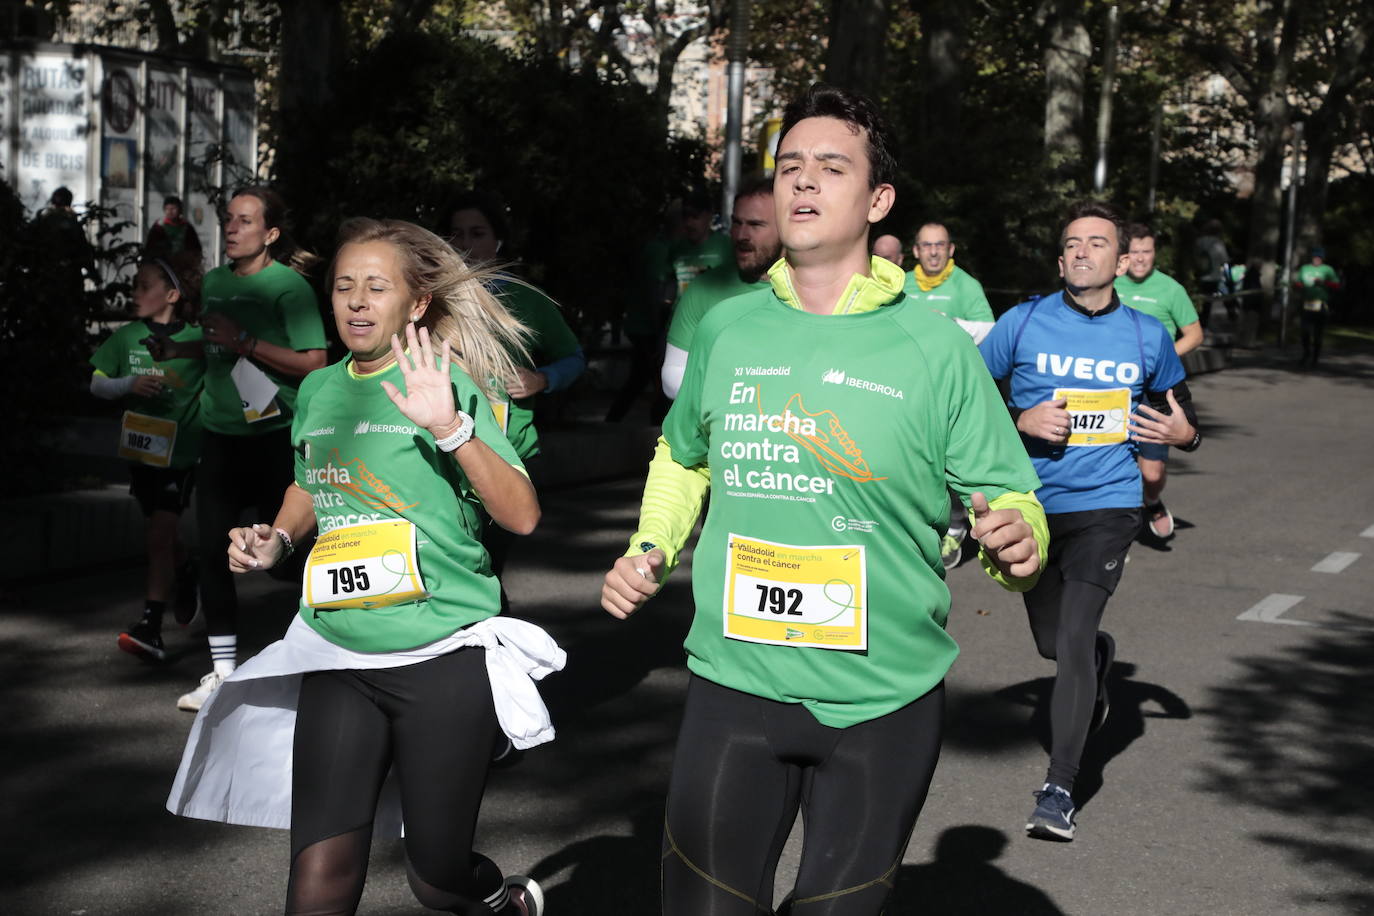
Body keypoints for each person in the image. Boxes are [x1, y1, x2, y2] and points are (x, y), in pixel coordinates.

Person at [601, 84, 1046, 914]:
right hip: (736, 683)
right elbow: (681, 453)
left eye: (830, 167)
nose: (802, 182)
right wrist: (650, 544)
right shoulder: (729, 330)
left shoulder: (934, 348)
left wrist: (1021, 542)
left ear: (877, 200)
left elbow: (1008, 491)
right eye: (789, 167)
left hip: (883, 699)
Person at [167, 218, 558, 916]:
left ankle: (500, 902)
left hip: (439, 655)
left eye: (376, 287)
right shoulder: (320, 391)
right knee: (317, 877)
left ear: (414, 305)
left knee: (436, 880)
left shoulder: (445, 381)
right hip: (336, 648)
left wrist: (450, 426)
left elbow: (522, 514)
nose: (355, 301)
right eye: (344, 286)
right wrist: (279, 540)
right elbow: (310, 482)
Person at [979, 200, 1202, 842]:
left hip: (1108, 504)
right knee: (1054, 645)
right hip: (1029, 507)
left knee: (1072, 640)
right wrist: (1018, 421)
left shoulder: (1144, 335)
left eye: (1096, 242)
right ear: (1060, 259)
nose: (1082, 251)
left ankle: (1059, 787)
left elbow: (1180, 414)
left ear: (1120, 259)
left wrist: (1185, 439)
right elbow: (966, 399)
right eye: (1072, 243)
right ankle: (1101, 657)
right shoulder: (1021, 324)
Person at [172, 186, 329, 712]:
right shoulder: (215, 281)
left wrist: (245, 342)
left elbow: (314, 361)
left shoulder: (289, 288)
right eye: (229, 220)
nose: (232, 229)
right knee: (213, 548)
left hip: (273, 436)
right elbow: (214, 343)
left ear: (271, 234)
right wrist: (180, 347)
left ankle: (321, 658)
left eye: (244, 221)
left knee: (285, 557)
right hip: (221, 436)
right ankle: (221, 673)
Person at [449, 191, 585, 608]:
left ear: (498, 242)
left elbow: (575, 358)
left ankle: (493, 651)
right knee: (461, 564)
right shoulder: (429, 299)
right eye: (455, 234)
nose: (465, 244)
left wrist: (542, 379)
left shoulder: (528, 300)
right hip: (444, 449)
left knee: (486, 564)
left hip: (510, 453)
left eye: (477, 233)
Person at [89, 251, 205, 660]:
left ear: (172, 294)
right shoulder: (125, 337)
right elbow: (96, 384)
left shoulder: (196, 340)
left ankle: (150, 627)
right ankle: (187, 573)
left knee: (157, 534)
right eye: (134, 285)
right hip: (140, 452)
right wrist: (129, 385)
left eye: (144, 286)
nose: (134, 292)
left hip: (182, 454)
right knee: (164, 535)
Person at [901, 221, 997, 570]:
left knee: (949, 462)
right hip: (908, 386)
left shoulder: (965, 285)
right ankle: (917, 529)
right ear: (916, 251)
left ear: (951, 249)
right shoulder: (902, 283)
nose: (934, 251)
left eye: (940, 245)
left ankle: (955, 525)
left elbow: (990, 331)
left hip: (949, 386)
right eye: (926, 245)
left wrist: (950, 323)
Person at [1113, 223, 1203, 539]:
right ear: (1124, 255)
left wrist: (1164, 357)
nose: (1140, 258)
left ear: (1155, 253)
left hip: (1154, 391)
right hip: (1111, 386)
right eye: (1134, 251)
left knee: (1152, 473)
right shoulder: (1110, 283)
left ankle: (1151, 500)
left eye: (1146, 252)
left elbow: (1194, 334)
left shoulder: (1170, 289)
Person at [661, 175, 781, 399]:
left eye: (755, 224)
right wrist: (732, 399)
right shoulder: (704, 289)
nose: (742, 235)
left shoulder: (813, 292)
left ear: (786, 228)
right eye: (737, 223)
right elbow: (672, 377)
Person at [1295, 245, 1341, 369]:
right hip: (1307, 304)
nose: (1317, 259)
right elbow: (1299, 282)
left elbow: (1337, 285)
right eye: (1315, 257)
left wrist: (1324, 283)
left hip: (1321, 305)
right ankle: (1306, 353)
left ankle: (1315, 358)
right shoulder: (1305, 268)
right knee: (1304, 332)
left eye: (1319, 257)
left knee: (1318, 334)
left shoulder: (1328, 269)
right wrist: (1299, 286)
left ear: (1322, 259)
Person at [1192, 218, 1232, 329]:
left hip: (1199, 275)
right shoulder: (1218, 244)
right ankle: (1203, 326)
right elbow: (1224, 259)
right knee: (1208, 303)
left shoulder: (1198, 242)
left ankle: (1196, 323)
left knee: (1198, 300)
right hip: (1213, 276)